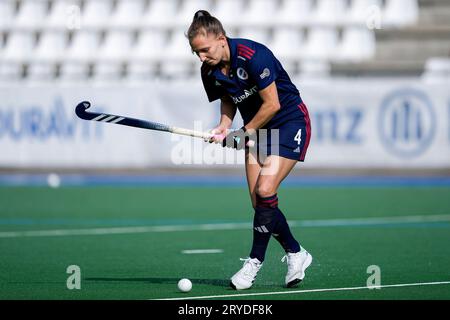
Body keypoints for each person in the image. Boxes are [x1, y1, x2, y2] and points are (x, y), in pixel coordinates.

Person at [187, 10, 312, 290]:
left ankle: (254, 261)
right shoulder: (209, 69)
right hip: (257, 130)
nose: (201, 57)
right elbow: (228, 99)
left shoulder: (254, 55)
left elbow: (273, 105)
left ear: (221, 39)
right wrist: (223, 126)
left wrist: (243, 133)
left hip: (289, 122)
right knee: (259, 203)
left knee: (266, 190)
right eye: (196, 53)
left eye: (205, 50)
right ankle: (296, 253)